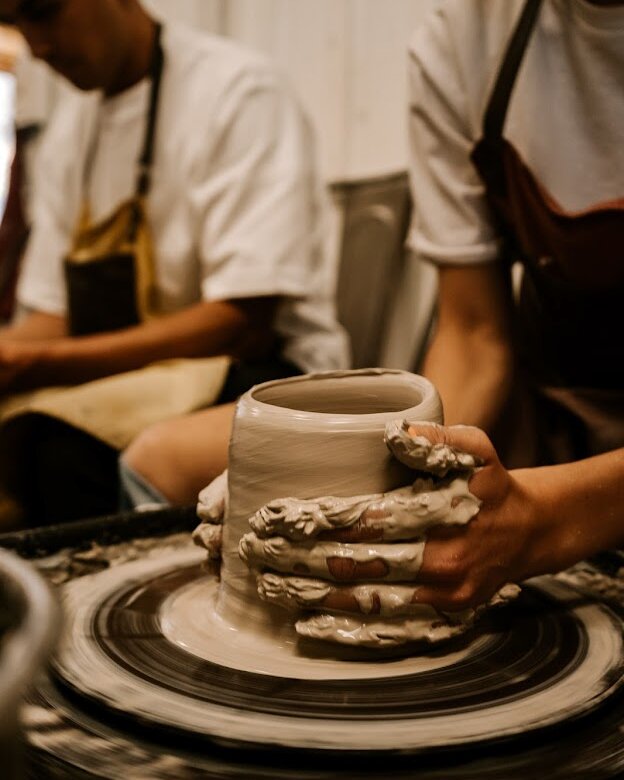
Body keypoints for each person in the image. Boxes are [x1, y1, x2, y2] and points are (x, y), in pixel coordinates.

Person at [217, 0, 624, 618]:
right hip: (559, 426)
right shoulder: (470, 37)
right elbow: (473, 335)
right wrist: (355, 486)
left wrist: (544, 522)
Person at [0, 0, 348, 525]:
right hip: (142, 373)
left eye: (44, 11)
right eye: (17, 22)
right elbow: (55, 316)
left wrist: (34, 366)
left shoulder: (237, 91)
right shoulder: (72, 133)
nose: (36, 45)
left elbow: (239, 323)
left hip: (270, 371)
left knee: (60, 451)